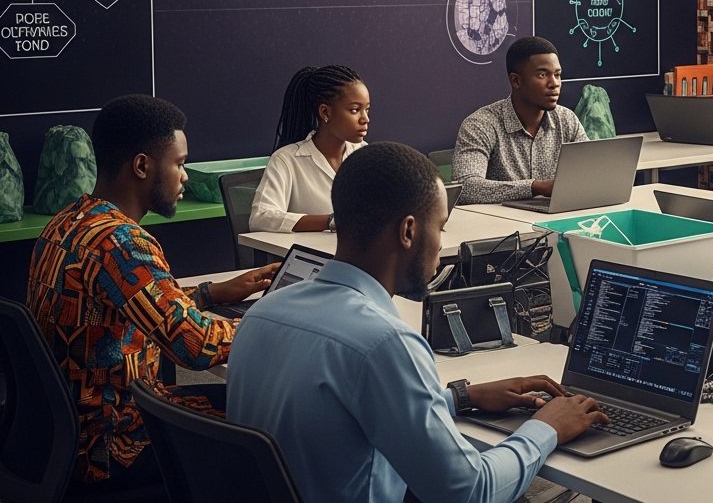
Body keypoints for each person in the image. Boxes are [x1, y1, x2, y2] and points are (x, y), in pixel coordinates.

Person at [227, 141, 607, 502]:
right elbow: (468, 492)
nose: (441, 245)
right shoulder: (383, 343)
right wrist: (547, 428)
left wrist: (460, 397)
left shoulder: (264, 312)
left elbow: (338, 413)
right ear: (409, 231)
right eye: (439, 227)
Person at [26, 95, 276, 491]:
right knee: (265, 415)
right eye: (179, 163)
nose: (186, 176)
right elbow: (196, 347)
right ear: (142, 166)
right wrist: (272, 324)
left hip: (61, 435)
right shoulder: (123, 242)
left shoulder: (72, 220)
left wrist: (210, 293)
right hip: (112, 443)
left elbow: (130, 305)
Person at [453, 36, 588, 204]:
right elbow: (465, 187)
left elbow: (590, 175)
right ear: (516, 81)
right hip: (500, 226)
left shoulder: (567, 120)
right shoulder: (480, 125)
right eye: (542, 74)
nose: (554, 83)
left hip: (557, 221)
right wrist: (534, 187)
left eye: (557, 74)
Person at [249, 64, 369, 233]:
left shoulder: (366, 155)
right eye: (355, 110)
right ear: (325, 112)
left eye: (367, 109)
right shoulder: (286, 159)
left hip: (360, 256)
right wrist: (332, 221)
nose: (365, 119)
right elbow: (261, 217)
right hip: (312, 257)